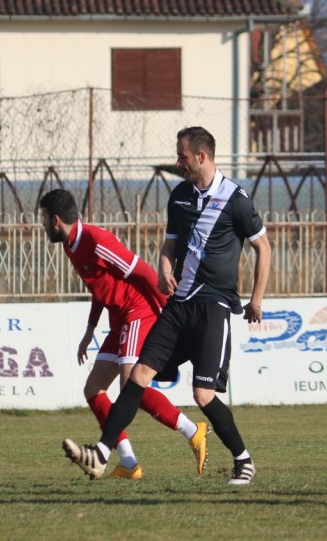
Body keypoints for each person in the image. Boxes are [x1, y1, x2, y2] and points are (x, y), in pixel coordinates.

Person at [63, 126, 272, 486]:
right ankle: (101, 453)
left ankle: (243, 460)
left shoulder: (235, 198)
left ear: (201, 157)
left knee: (203, 395)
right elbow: (168, 246)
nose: (178, 163)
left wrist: (256, 299)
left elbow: (263, 247)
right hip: (178, 305)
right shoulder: (178, 197)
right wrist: (163, 268)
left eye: (182, 157)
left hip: (214, 306)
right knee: (138, 377)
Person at [38, 189, 210, 479]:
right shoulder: (71, 244)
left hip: (137, 311)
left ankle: (193, 430)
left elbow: (142, 272)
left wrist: (171, 313)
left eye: (43, 219)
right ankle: (128, 463)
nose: (41, 225)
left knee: (132, 388)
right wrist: (90, 329)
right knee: (94, 391)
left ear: (55, 220)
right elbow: (99, 287)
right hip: (118, 318)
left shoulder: (95, 240)